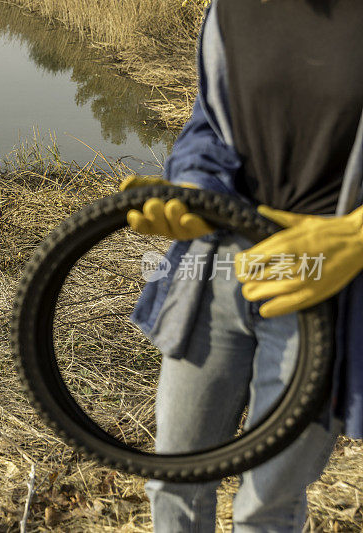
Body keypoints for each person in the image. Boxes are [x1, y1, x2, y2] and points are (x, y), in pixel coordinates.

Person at [122, 1, 363, 530]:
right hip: (218, 271)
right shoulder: (230, 10)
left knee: (265, 508)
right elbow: (210, 124)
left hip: (322, 288)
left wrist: (357, 237)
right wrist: (192, 188)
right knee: (173, 479)